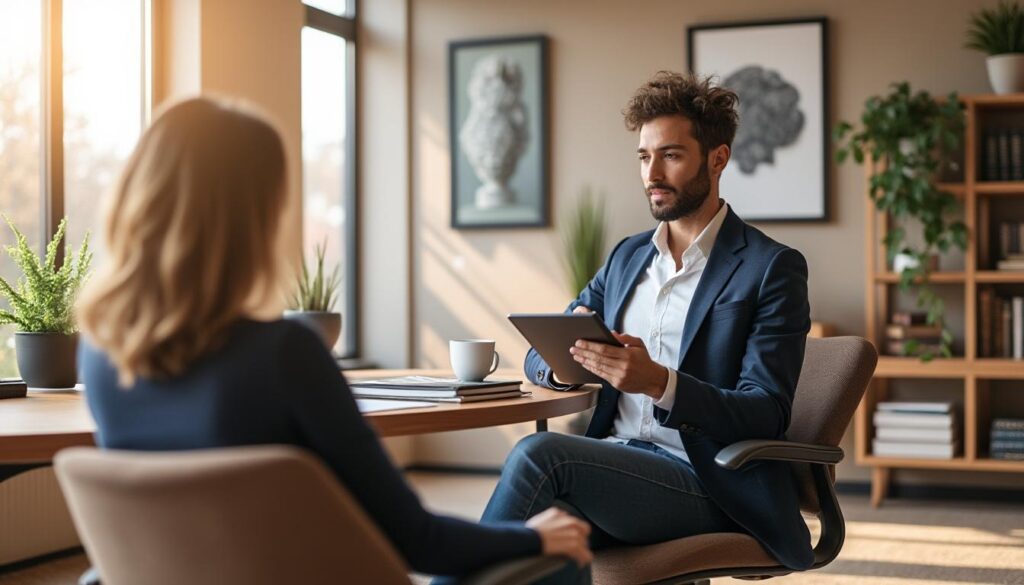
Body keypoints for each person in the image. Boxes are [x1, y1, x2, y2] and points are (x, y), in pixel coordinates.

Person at [76, 97, 591, 581]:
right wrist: (531, 536)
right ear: (255, 220)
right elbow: (419, 541)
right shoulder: (284, 354)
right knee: (563, 553)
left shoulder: (99, 354)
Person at [481, 71, 815, 573]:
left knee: (539, 455)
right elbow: (539, 351)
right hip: (615, 462)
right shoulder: (627, 257)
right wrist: (570, 364)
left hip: (706, 481)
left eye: (671, 155)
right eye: (644, 156)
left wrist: (658, 382)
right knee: (547, 534)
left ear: (718, 159)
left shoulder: (771, 268)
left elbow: (766, 412)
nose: (651, 173)